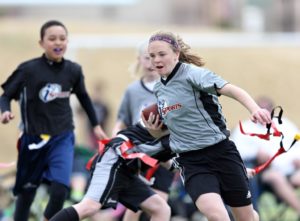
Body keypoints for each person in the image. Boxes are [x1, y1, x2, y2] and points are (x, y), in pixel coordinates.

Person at [142, 30, 272, 221]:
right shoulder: (159, 89)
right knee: (217, 216)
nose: (156, 60)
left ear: (176, 54)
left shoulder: (193, 75)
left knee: (247, 218)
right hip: (191, 162)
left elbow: (232, 89)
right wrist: (153, 131)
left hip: (222, 153)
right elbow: (171, 132)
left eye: (162, 54)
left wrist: (254, 109)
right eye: (152, 56)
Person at [0, 20, 108, 221]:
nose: (58, 42)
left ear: (67, 41)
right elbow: (5, 96)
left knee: (60, 189)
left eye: (62, 38)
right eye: (52, 39)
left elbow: (84, 97)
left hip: (62, 137)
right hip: (32, 140)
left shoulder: (73, 70)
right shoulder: (28, 70)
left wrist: (96, 125)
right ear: (41, 43)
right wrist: (5, 111)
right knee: (26, 193)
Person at [49, 121, 172, 221]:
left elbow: (172, 161)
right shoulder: (170, 110)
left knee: (161, 209)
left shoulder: (185, 129)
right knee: (90, 207)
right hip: (115, 159)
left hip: (128, 170)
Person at [112, 40, 175, 221]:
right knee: (136, 208)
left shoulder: (169, 89)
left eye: (153, 58)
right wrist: (116, 138)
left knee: (161, 205)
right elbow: (121, 120)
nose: (150, 63)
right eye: (146, 58)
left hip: (163, 154)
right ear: (139, 60)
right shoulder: (132, 91)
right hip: (139, 155)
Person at [231, 96, 300, 216]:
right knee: (275, 177)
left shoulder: (285, 125)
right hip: (264, 172)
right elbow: (235, 150)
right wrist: (255, 153)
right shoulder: (245, 127)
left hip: (291, 169)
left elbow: (297, 144)